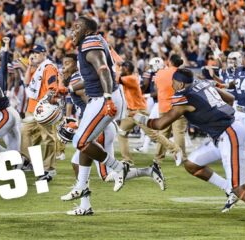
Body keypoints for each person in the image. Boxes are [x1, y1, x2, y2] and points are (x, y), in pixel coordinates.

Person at [133, 68, 245, 213]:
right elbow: (229, 98)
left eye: (173, 83)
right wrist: (215, 119)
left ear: (179, 84)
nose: (172, 86)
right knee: (192, 164)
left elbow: (160, 124)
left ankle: (232, 189)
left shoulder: (184, 97)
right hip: (224, 133)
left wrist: (139, 118)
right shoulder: (202, 84)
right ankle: (227, 188)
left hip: (229, 134)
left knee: (239, 187)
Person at [60, 54, 165, 215]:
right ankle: (85, 204)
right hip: (100, 128)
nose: (64, 67)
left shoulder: (76, 80)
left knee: (106, 175)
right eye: (63, 64)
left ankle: (86, 203)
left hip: (98, 130)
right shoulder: (74, 80)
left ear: (76, 66)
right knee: (77, 163)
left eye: (68, 64)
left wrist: (79, 126)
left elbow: (92, 105)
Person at [60, 16, 130, 201]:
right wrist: (69, 88)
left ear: (88, 30)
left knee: (80, 142)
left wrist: (107, 98)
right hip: (100, 98)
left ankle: (119, 167)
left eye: (77, 27)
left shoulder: (89, 42)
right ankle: (81, 187)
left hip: (103, 98)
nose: (73, 31)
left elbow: (103, 70)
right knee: (82, 145)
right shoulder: (93, 41)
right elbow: (92, 77)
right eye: (72, 27)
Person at [117, 60, 181, 164]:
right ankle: (127, 160)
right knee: (121, 133)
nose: (121, 70)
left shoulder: (131, 78)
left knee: (153, 135)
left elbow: (116, 79)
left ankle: (175, 149)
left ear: (127, 69)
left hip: (139, 112)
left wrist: (114, 66)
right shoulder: (130, 76)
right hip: (131, 112)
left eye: (123, 68)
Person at [21, 44, 59, 181]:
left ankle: (49, 169)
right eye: (33, 52)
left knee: (47, 138)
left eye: (38, 53)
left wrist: (44, 105)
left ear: (45, 54)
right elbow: (26, 82)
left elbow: (52, 88)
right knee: (26, 134)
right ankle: (32, 163)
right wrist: (30, 65)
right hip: (31, 109)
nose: (35, 55)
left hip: (42, 110)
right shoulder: (37, 68)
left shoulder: (48, 68)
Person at [153, 54, 188, 164]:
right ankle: (181, 157)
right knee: (179, 133)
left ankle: (158, 157)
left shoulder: (160, 73)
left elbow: (156, 87)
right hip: (178, 107)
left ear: (169, 61)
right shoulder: (183, 74)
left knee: (162, 133)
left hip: (163, 106)